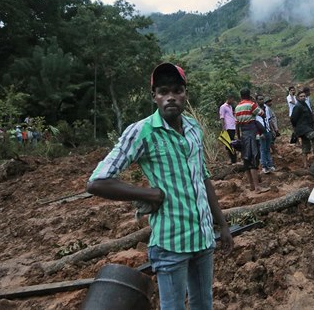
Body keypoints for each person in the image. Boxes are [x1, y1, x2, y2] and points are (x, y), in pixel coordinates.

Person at [87, 62, 233, 310]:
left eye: (177, 91)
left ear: (185, 93)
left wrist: (222, 224)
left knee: (203, 303)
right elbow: (96, 182)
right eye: (163, 91)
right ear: (154, 96)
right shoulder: (143, 131)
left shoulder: (193, 128)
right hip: (170, 244)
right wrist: (148, 194)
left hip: (203, 237)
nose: (171, 98)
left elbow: (203, 177)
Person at [235, 87, 269, 192]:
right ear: (249, 95)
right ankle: (257, 187)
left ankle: (251, 185)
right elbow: (262, 114)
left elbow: (237, 124)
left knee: (246, 159)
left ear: (240, 96)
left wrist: (239, 137)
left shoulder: (237, 107)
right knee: (254, 158)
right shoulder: (251, 104)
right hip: (251, 133)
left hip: (243, 133)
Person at [291, 90, 314, 169]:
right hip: (303, 128)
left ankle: (306, 164)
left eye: (304, 96)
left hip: (307, 128)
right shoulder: (298, 106)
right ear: (297, 98)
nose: (303, 98)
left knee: (305, 146)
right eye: (301, 96)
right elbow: (293, 119)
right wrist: (297, 128)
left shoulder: (305, 105)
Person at [256, 94, 275, 174]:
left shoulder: (266, 108)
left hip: (268, 130)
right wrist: (259, 133)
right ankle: (264, 166)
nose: (262, 101)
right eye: (260, 99)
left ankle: (270, 165)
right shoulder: (255, 110)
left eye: (262, 99)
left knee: (267, 149)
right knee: (263, 149)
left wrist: (273, 130)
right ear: (257, 101)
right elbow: (255, 122)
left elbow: (269, 119)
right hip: (261, 132)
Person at [219, 94, 237, 163]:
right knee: (229, 144)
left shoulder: (230, 107)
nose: (233, 101)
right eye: (232, 99)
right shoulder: (223, 107)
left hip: (232, 127)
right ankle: (232, 160)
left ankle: (233, 159)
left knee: (232, 143)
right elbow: (222, 118)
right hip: (228, 127)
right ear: (229, 98)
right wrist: (223, 128)